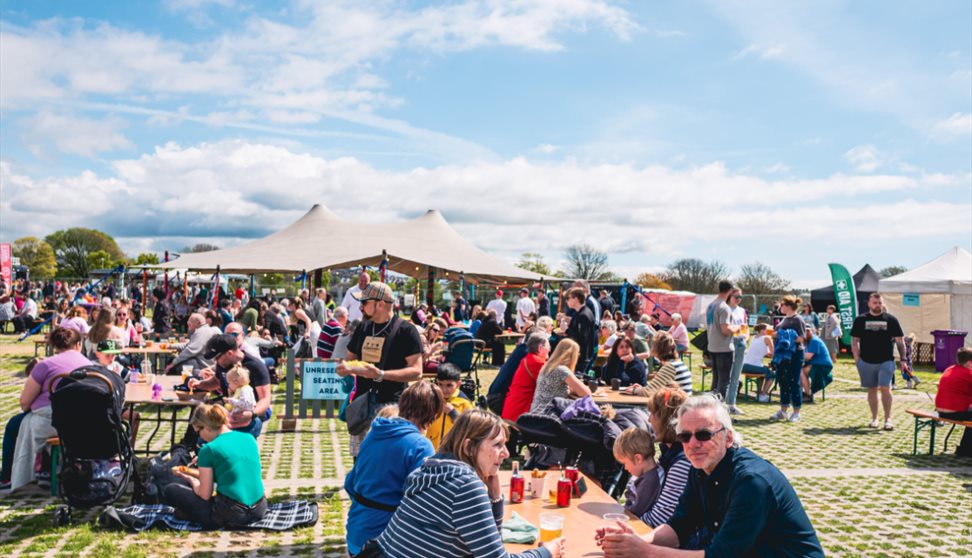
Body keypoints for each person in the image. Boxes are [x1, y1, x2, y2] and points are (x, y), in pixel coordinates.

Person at [597, 394, 824, 557]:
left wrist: (646, 552)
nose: (693, 444)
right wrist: (636, 541)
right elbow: (680, 525)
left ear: (728, 438)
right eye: (685, 437)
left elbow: (721, 554)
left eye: (704, 434)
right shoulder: (700, 469)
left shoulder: (751, 483)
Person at [374, 409, 564, 558]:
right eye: (497, 444)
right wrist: (547, 552)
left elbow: (487, 547)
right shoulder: (465, 485)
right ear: (468, 447)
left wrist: (495, 498)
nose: (505, 453)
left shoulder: (432, 467)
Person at [344, 381, 444, 556]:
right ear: (434, 415)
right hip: (386, 541)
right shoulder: (421, 445)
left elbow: (350, 483)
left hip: (356, 531)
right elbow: (422, 502)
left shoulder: (374, 433)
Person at [337, 282, 423, 458]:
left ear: (380, 304)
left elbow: (417, 371)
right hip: (362, 403)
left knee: (386, 458)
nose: (360, 307)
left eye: (364, 303)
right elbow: (349, 358)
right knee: (360, 458)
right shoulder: (362, 327)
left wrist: (381, 375)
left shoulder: (406, 330)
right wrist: (345, 368)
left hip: (391, 405)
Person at [10, 328, 90, 491]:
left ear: (54, 345)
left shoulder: (45, 365)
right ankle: (50, 468)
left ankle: (16, 474)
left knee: (18, 423)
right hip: (84, 422)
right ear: (79, 344)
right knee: (26, 422)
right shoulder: (91, 366)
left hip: (52, 421)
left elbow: (25, 402)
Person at [164, 404, 266, 528]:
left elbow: (205, 494)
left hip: (231, 513)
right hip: (259, 509)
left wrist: (190, 479)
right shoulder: (249, 438)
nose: (199, 437)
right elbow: (230, 473)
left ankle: (188, 514)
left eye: (198, 432)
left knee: (171, 489)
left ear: (207, 428)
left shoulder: (208, 449)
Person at [187, 332, 272, 439]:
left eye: (217, 358)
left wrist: (251, 414)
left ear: (230, 353)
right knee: (200, 426)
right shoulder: (223, 363)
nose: (215, 361)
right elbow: (216, 381)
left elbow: (265, 399)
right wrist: (199, 384)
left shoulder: (255, 366)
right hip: (230, 411)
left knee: (228, 438)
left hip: (252, 414)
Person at [851, 292, 907, 430]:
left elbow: (900, 341)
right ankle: (874, 418)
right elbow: (854, 340)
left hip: (886, 360)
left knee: (885, 387)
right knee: (872, 389)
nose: (877, 305)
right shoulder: (860, 320)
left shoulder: (891, 320)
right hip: (866, 361)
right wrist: (857, 358)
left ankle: (888, 419)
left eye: (880, 303)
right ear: (869, 304)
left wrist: (903, 359)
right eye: (875, 303)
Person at [638, 386, 692, 528]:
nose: (649, 420)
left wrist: (628, 522)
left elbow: (659, 519)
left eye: (653, 414)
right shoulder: (671, 451)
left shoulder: (682, 462)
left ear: (665, 419)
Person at [770, 295, 807, 423]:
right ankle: (783, 410)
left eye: (783, 304)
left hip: (795, 354)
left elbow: (802, 338)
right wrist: (776, 334)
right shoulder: (785, 319)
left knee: (794, 382)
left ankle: (796, 412)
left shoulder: (798, 320)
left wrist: (785, 337)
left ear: (789, 306)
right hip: (782, 355)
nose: (781, 307)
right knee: (783, 381)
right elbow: (776, 333)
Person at [529, 338, 591, 412]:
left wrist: (570, 390)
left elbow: (554, 390)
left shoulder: (547, 366)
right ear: (572, 355)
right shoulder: (562, 370)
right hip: (547, 415)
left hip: (535, 412)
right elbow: (587, 394)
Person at [614, 427, 663, 519]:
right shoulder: (648, 475)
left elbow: (636, 511)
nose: (625, 468)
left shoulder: (650, 481)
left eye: (625, 463)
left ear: (638, 459)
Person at [501, 332, 551, 421]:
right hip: (520, 411)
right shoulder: (538, 362)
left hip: (512, 408)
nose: (549, 349)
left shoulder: (528, 358)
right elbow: (552, 383)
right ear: (540, 348)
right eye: (548, 347)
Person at [426, 363, 474, 449]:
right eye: (440, 384)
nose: (444, 389)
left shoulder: (464, 403)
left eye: (449, 385)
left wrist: (453, 414)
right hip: (433, 448)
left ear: (458, 384)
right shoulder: (433, 398)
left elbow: (470, 428)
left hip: (453, 450)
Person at [935, 347, 972, 457]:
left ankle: (965, 448)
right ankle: (966, 449)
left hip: (941, 411)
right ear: (969, 363)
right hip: (954, 413)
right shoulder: (968, 374)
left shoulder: (950, 369)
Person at [705, 281, 736, 401]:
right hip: (724, 348)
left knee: (716, 381)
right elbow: (725, 330)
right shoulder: (724, 307)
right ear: (730, 291)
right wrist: (737, 329)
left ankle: (712, 409)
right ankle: (719, 410)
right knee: (723, 382)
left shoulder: (711, 305)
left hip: (712, 346)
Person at [724, 288, 749, 415]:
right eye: (736, 296)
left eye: (740, 297)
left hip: (741, 342)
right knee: (727, 375)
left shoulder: (742, 311)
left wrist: (746, 336)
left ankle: (731, 404)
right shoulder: (725, 309)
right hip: (730, 342)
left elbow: (746, 326)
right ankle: (723, 404)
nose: (739, 299)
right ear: (730, 296)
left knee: (736, 375)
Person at [564, 287, 596, 374]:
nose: (567, 301)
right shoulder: (580, 312)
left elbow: (582, 338)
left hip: (581, 356)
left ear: (576, 299)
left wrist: (566, 330)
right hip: (579, 354)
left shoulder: (584, 314)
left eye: (568, 298)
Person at [741, 323, 775, 402]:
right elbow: (773, 353)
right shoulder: (767, 338)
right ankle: (763, 395)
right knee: (772, 374)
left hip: (744, 366)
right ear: (763, 330)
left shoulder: (754, 337)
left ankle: (759, 393)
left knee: (763, 372)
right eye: (768, 329)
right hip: (753, 366)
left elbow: (759, 350)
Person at [802, 326, 833, 402]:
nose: (806, 332)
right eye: (804, 331)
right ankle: (801, 393)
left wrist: (796, 354)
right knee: (799, 370)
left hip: (822, 366)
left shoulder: (814, 340)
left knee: (800, 372)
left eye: (808, 330)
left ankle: (808, 394)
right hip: (817, 364)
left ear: (812, 331)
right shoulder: (809, 341)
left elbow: (808, 356)